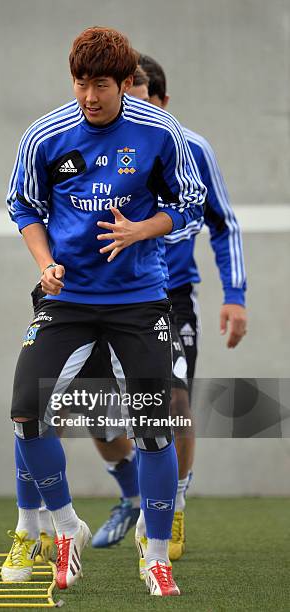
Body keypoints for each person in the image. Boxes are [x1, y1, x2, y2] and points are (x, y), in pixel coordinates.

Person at [2, 27, 206, 597]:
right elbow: (23, 205)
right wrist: (45, 262)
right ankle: (65, 526)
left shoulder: (159, 133)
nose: (89, 96)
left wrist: (143, 229)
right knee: (26, 410)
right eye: (80, 83)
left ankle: (156, 554)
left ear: (123, 83)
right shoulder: (45, 135)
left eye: (100, 85)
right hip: (66, 300)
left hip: (139, 302)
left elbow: (188, 202)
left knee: (154, 427)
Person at [90, 56, 247, 569]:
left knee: (171, 402)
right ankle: (135, 495)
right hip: (98, 297)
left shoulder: (189, 148)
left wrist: (235, 296)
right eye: (123, 94)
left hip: (169, 297)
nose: (129, 105)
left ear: (162, 101)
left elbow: (223, 223)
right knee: (93, 413)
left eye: (139, 94)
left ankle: (171, 506)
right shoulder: (95, 143)